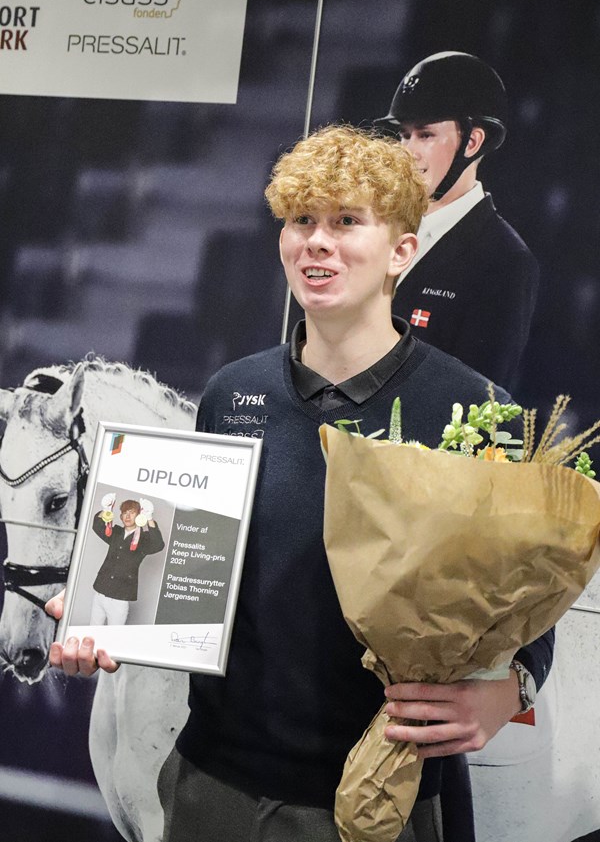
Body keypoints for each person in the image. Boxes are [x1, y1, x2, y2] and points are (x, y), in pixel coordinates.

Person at [47, 126, 553, 842]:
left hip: (375, 800)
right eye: (301, 220)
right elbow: (181, 568)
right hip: (211, 788)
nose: (317, 241)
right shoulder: (231, 392)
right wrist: (103, 608)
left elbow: (533, 594)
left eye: (347, 221)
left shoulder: (476, 409)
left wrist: (511, 690)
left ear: (402, 251)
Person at [375, 50, 539, 390]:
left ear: (473, 141)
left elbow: (478, 403)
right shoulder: (376, 231)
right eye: (403, 135)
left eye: (425, 135)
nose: (408, 152)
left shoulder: (504, 261)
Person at [89, 495, 164, 625]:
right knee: (92, 631)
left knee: (113, 637)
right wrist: (105, 508)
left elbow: (158, 545)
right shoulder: (115, 532)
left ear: (139, 516)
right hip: (100, 593)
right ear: (121, 516)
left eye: (132, 513)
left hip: (120, 598)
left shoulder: (144, 539)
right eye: (124, 513)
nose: (127, 516)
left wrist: (150, 518)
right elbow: (97, 525)